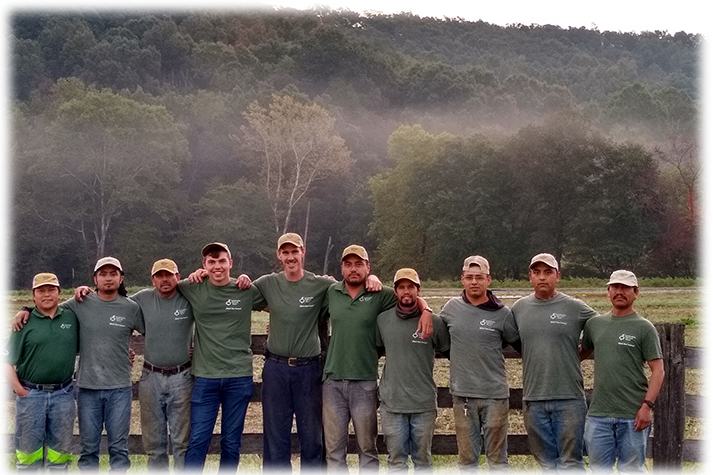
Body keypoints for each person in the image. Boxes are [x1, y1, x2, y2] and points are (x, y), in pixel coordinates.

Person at [73, 258, 195, 475]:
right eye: (159, 276)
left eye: (169, 275)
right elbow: (53, 310)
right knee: (152, 443)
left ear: (178, 277)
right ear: (152, 280)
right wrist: (25, 309)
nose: (165, 280)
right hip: (147, 376)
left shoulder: (189, 296)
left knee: (181, 442)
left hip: (180, 376)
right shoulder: (139, 299)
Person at [322, 245, 433, 475]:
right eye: (348, 264)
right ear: (342, 267)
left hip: (365, 382)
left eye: (359, 264)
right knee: (334, 450)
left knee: (367, 448)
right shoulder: (331, 292)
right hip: (333, 382)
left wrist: (426, 309)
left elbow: (408, 296)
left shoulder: (380, 294)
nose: (353, 269)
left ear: (368, 267)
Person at [179, 242, 266, 475]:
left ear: (231, 263)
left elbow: (281, 304)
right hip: (206, 378)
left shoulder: (245, 289)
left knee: (231, 441)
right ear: (204, 265)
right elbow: (164, 288)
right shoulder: (192, 287)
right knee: (198, 440)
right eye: (211, 262)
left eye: (221, 261)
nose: (217, 266)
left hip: (238, 376)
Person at [511, 253, 597, 475]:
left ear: (557, 276)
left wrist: (580, 353)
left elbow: (603, 329)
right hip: (534, 399)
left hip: (569, 398)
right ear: (530, 276)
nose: (542, 278)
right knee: (548, 465)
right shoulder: (519, 309)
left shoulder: (575, 307)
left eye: (548, 272)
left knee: (571, 464)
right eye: (537, 272)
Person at [439, 256, 520, 475]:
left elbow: (519, 343)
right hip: (463, 396)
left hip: (494, 395)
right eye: (470, 277)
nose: (474, 282)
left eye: (479, 277)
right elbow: (441, 339)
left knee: (498, 461)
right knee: (467, 461)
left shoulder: (502, 314)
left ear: (488, 280)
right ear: (462, 280)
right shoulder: (450, 309)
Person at [580, 270, 664, 475]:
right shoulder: (594, 325)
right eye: (615, 287)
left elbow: (658, 370)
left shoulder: (644, 328)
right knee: (598, 470)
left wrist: (647, 407)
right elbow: (579, 355)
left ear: (636, 293)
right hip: (599, 414)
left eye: (625, 288)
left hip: (632, 414)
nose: (620, 292)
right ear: (608, 292)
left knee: (631, 470)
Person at [0, 273, 78, 475]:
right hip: (32, 395)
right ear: (33, 296)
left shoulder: (71, 317)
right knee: (28, 453)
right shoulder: (24, 323)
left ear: (59, 293)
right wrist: (19, 390)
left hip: (63, 393)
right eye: (41, 291)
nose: (46, 295)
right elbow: (6, 362)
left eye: (51, 290)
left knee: (60, 454)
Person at [375, 268, 450, 475]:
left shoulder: (434, 322)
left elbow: (451, 351)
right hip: (392, 404)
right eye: (401, 287)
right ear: (396, 291)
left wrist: (426, 311)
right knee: (396, 463)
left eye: (411, 287)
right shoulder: (382, 320)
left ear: (419, 290)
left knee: (423, 461)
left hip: (423, 404)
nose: (406, 291)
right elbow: (376, 349)